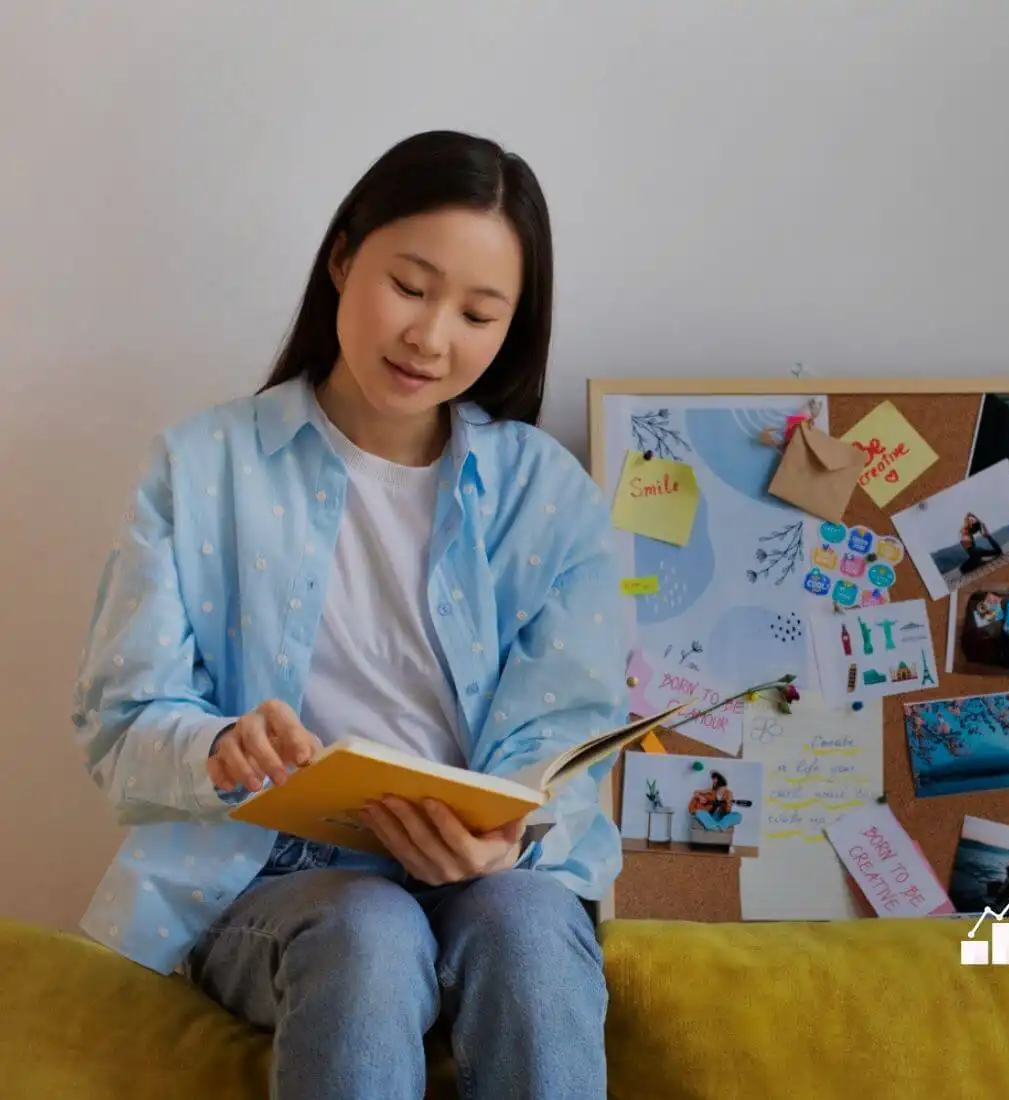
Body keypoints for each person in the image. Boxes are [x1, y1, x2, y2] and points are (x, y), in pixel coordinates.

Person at [68, 131, 627, 1100]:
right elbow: (122, 721)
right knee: (368, 926)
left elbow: (568, 737)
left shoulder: (549, 496)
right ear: (341, 258)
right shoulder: (202, 470)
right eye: (409, 286)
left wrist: (512, 835)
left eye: (478, 312)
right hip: (266, 879)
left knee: (531, 923)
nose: (431, 336)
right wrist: (217, 749)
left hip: (484, 880)